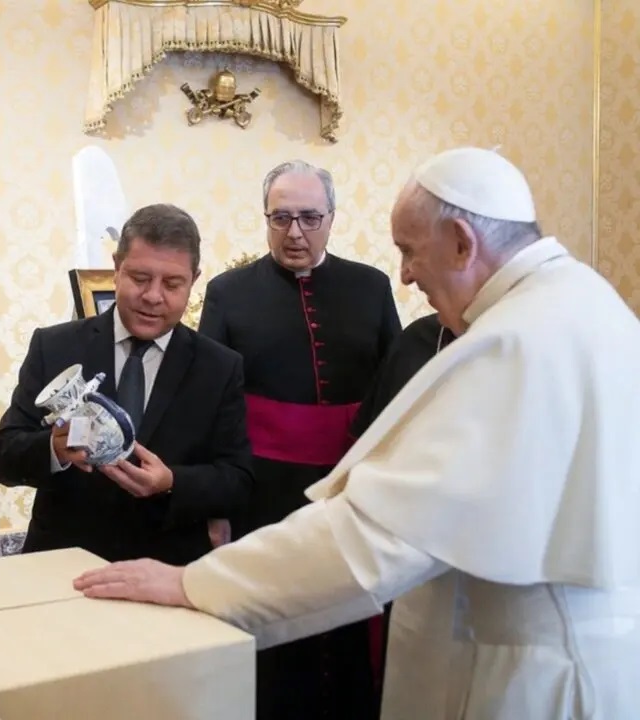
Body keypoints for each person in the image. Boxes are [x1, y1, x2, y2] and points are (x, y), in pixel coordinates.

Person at [73, 147, 640, 719]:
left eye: (411, 251)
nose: (406, 274)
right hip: (576, 656)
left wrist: (193, 585)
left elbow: (376, 537)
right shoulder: (584, 303)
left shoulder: (514, 343)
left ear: (462, 243)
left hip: (535, 676)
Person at [198, 160, 401, 719]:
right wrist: (217, 507)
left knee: (351, 618)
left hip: (351, 487)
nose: (295, 232)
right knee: (275, 622)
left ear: (332, 217)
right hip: (263, 491)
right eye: (281, 217)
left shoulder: (371, 286)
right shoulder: (228, 293)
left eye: (310, 217)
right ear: (265, 218)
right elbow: (210, 403)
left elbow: (393, 387)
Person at [0, 203, 253, 565]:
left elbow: (237, 481)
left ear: (193, 280)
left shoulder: (220, 367)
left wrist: (172, 482)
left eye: (172, 284)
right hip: (60, 568)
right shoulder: (54, 346)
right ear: (116, 268)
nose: (153, 296)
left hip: (167, 571)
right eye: (140, 278)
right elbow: (4, 458)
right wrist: (53, 448)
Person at [347, 312, 457, 718]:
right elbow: (372, 440)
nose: (407, 280)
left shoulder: (521, 337)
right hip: (405, 539)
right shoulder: (419, 339)